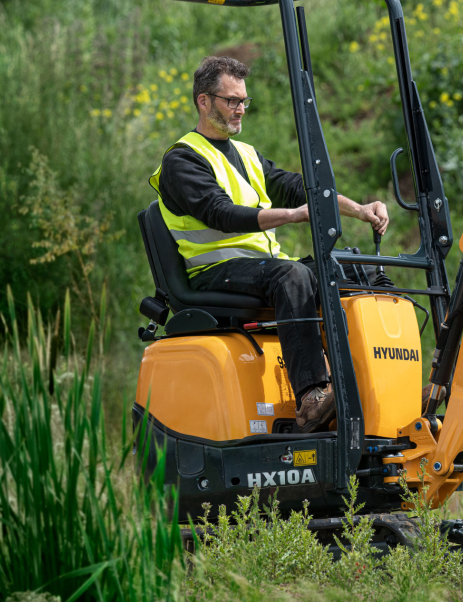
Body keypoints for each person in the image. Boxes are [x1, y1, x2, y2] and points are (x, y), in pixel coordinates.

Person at [150, 55, 389, 431]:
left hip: (261, 268)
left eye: (243, 101)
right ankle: (312, 398)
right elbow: (221, 214)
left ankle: (381, 387)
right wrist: (293, 215)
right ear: (203, 101)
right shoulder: (182, 160)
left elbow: (300, 188)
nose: (240, 109)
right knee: (292, 276)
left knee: (359, 270)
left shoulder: (246, 154)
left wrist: (360, 209)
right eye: (231, 100)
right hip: (215, 271)